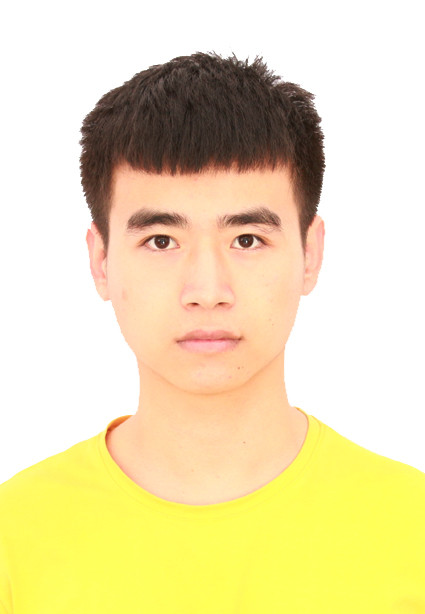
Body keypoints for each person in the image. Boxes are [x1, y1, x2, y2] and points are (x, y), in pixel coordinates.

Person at [0, 52, 424, 613]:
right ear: (101, 260)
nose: (206, 290)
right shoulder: (14, 538)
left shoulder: (412, 530)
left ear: (310, 254)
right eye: (161, 241)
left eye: (247, 239)